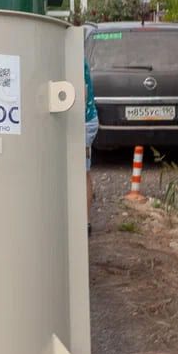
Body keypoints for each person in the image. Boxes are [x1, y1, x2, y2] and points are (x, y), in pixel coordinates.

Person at [84, 59, 99, 231]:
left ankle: (84, 223)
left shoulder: (73, 59)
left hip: (83, 122)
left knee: (82, 173)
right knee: (82, 173)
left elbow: (82, 93)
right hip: (86, 120)